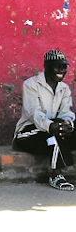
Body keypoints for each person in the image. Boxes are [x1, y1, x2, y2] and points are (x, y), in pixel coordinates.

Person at [13, 49, 76, 190]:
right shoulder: (31, 85)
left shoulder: (64, 88)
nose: (61, 70)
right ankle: (56, 175)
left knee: (62, 128)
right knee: (54, 134)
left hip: (53, 130)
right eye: (57, 66)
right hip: (29, 134)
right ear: (46, 67)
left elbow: (66, 111)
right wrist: (51, 126)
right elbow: (34, 113)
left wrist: (67, 123)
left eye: (64, 66)